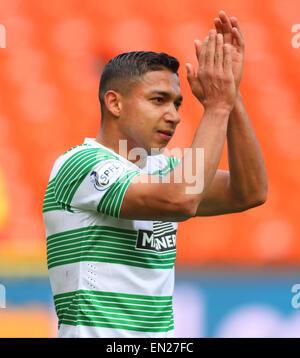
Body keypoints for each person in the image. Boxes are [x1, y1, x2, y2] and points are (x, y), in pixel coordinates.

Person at [43, 11, 267, 338]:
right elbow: (183, 200)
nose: (173, 116)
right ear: (114, 103)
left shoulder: (163, 167)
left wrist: (232, 97)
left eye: (177, 104)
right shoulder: (80, 165)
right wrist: (217, 107)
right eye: (158, 100)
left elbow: (249, 192)